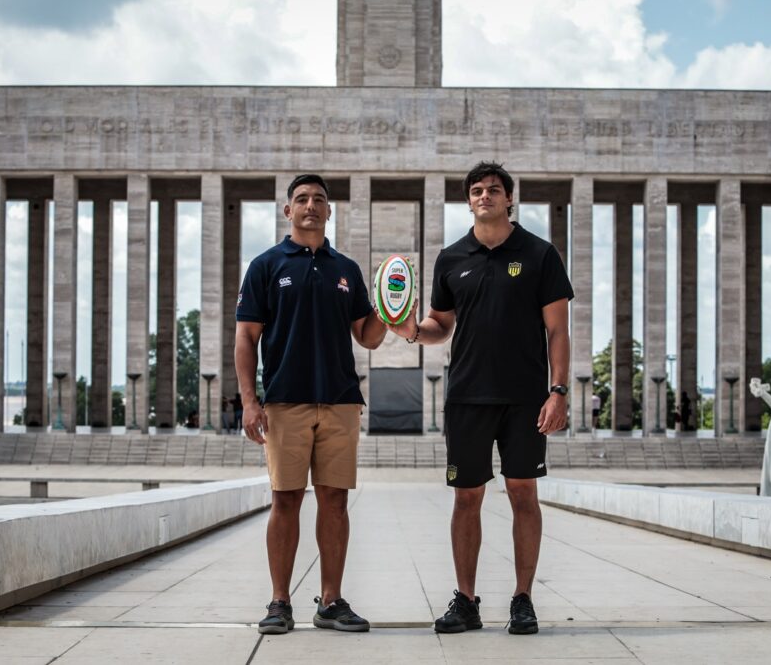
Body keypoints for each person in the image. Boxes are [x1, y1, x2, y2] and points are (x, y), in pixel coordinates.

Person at [388, 161, 573, 636]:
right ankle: (466, 601)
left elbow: (558, 330)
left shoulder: (540, 254)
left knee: (523, 493)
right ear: (468, 200)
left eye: (493, 189)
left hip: (525, 397)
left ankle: (523, 599)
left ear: (509, 198)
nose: (485, 196)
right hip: (467, 396)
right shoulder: (451, 258)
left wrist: (558, 391)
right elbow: (440, 325)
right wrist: (411, 331)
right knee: (466, 497)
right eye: (476, 190)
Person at [235, 173, 387, 635]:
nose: (310, 205)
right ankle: (279, 601)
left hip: (340, 400)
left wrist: (392, 309)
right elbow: (245, 337)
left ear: (329, 210)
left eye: (319, 199)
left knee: (335, 502)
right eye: (301, 199)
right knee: (285, 500)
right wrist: (249, 401)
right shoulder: (266, 265)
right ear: (288, 210)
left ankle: (331, 601)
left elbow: (368, 336)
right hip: (285, 401)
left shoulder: (346, 269)